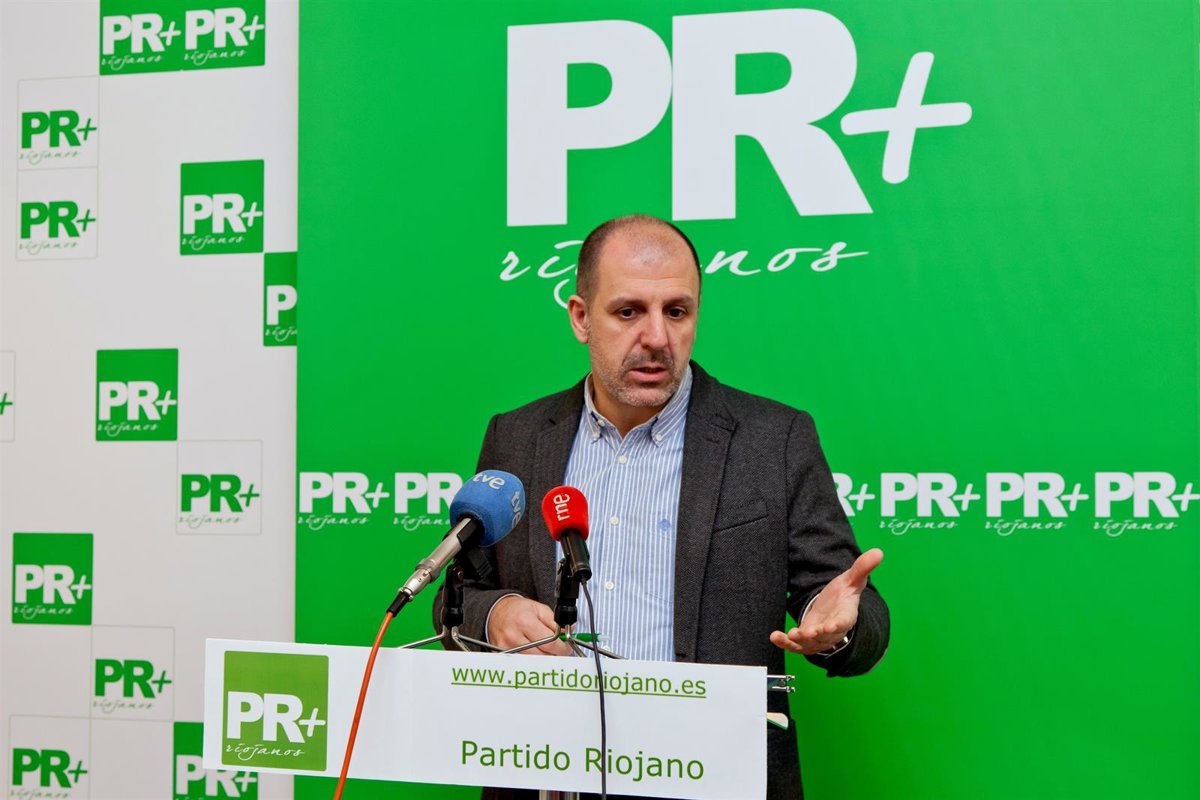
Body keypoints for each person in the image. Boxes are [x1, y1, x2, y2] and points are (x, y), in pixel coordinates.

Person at [445, 214, 889, 800]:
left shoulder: (774, 439)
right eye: (629, 311)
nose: (657, 337)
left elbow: (853, 611)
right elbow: (457, 600)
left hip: (715, 781)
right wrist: (494, 613)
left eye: (676, 312)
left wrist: (837, 628)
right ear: (581, 317)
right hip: (546, 773)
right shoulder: (517, 437)